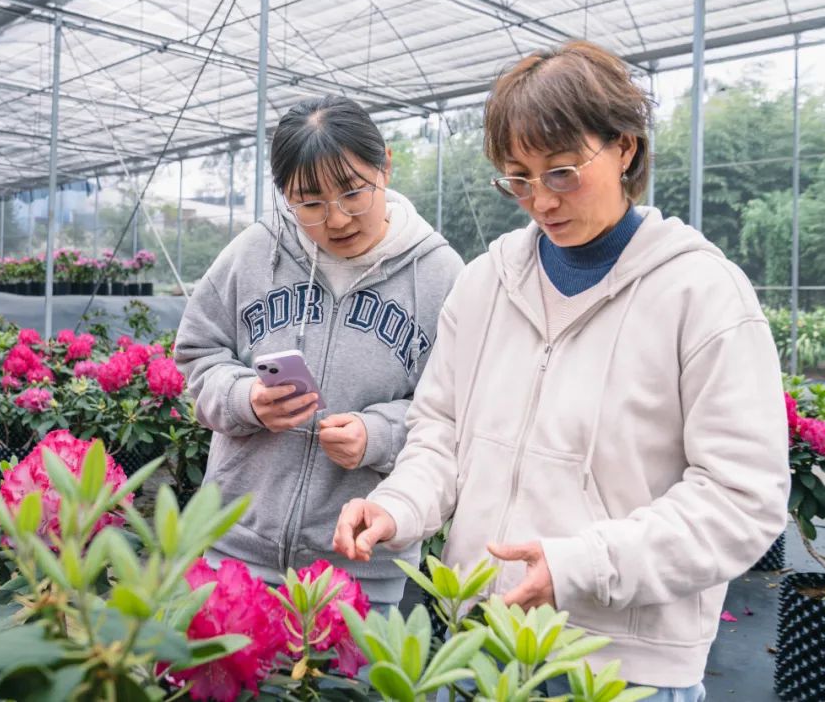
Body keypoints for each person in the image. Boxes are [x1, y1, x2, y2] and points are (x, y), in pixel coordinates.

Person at [333, 41, 789, 697]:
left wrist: (580, 563)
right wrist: (397, 506)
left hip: (620, 668)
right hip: (478, 644)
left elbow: (741, 496)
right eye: (518, 178)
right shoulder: (487, 284)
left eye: (562, 172)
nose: (541, 200)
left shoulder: (701, 294)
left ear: (625, 147)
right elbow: (440, 430)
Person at [174, 95, 463, 607]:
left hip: (362, 572)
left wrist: (378, 434)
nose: (337, 219)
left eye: (354, 192)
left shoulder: (441, 276)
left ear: (385, 166)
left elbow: (455, 408)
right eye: (309, 203)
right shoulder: (254, 253)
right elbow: (199, 353)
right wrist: (245, 399)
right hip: (235, 553)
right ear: (284, 196)